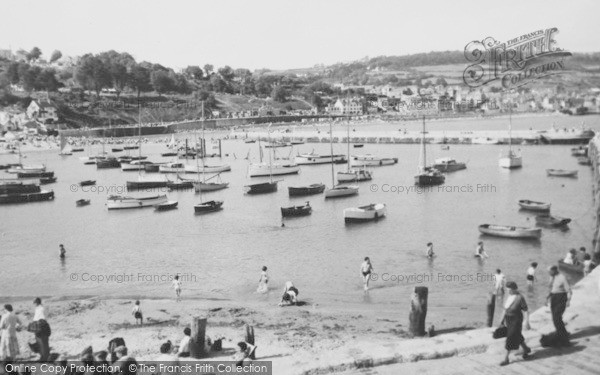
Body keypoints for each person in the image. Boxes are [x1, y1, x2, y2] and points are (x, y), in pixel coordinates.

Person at [499, 282, 531, 366]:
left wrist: (527, 322)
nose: (507, 290)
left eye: (509, 289)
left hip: (516, 320)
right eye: (507, 289)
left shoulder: (520, 298)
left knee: (510, 338)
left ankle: (506, 359)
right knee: (516, 335)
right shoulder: (508, 296)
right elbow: (505, 309)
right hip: (508, 319)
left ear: (514, 289)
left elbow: (526, 310)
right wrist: (501, 321)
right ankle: (526, 349)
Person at [547, 266, 572, 346]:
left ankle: (563, 335)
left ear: (554, 270)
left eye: (550, 271)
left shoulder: (562, 278)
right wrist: (547, 298)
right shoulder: (551, 277)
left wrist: (568, 301)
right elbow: (551, 288)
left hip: (561, 298)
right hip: (553, 298)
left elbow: (569, 290)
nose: (549, 273)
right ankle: (562, 333)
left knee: (557, 318)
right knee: (555, 318)